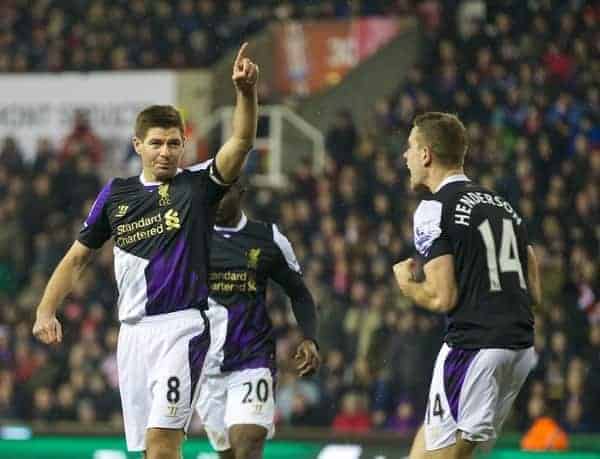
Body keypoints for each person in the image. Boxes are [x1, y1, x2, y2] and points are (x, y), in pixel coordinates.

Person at [32, 43, 259, 459]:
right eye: (157, 143)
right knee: (144, 450)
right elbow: (78, 257)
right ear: (138, 144)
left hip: (182, 328)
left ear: (184, 145)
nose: (166, 152)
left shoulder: (196, 186)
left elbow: (241, 141)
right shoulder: (116, 194)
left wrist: (245, 92)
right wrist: (46, 309)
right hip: (132, 335)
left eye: (174, 143)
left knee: (162, 446)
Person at [393, 112, 541, 459]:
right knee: (431, 443)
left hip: (473, 348)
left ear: (426, 154)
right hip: (518, 349)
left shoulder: (433, 208)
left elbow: (442, 297)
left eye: (410, 148)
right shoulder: (502, 205)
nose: (405, 156)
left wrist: (406, 285)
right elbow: (534, 291)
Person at [197, 182, 321, 459]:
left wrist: (310, 338)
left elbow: (299, 293)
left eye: (222, 194)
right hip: (205, 366)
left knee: (248, 443)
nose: (215, 201)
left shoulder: (267, 238)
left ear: (240, 192)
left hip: (252, 359)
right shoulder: (192, 237)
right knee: (228, 454)